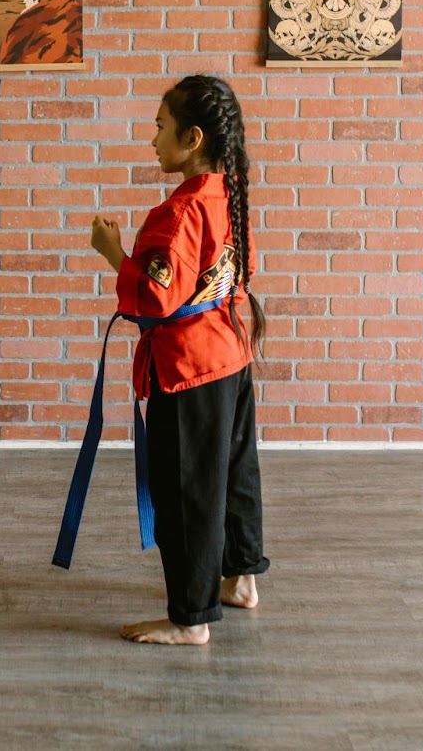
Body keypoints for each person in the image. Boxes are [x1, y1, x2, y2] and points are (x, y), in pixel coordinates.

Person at [87, 74, 269, 646]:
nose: (152, 140)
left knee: (188, 490)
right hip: (230, 356)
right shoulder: (227, 193)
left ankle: (190, 618)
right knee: (235, 475)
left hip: (189, 368)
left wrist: (113, 251)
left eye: (160, 128)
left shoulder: (180, 212)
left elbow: (158, 298)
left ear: (192, 138)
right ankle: (239, 578)